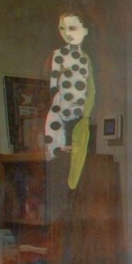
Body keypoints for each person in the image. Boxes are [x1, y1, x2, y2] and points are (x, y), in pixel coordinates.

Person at [42, 11, 94, 190]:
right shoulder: (58, 55)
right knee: (60, 170)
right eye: (62, 28)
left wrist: (85, 115)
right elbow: (53, 86)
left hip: (80, 117)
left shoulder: (86, 59)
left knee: (79, 174)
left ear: (85, 31)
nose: (67, 33)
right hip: (62, 113)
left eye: (72, 28)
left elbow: (91, 89)